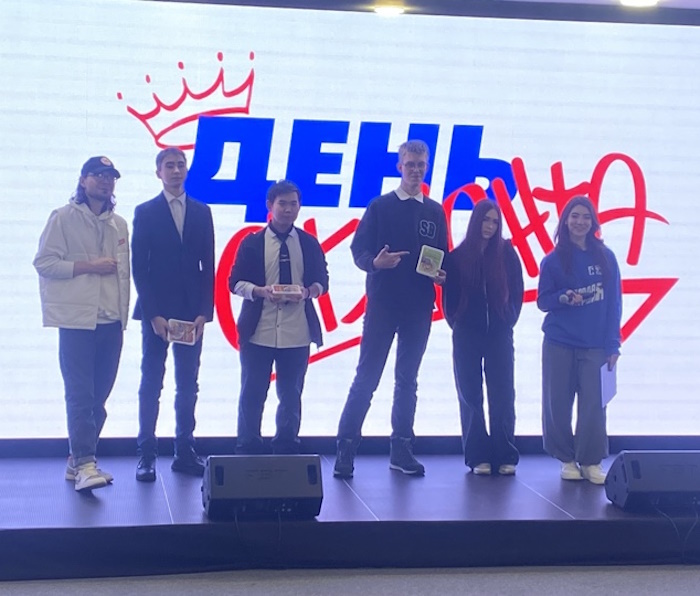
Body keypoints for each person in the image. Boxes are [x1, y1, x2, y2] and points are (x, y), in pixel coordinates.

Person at [334, 139, 448, 478]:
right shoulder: (380, 206)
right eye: (410, 164)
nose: (415, 170)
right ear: (399, 167)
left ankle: (401, 449)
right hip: (383, 305)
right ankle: (345, 449)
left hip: (419, 306)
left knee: (407, 380)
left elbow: (441, 254)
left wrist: (441, 275)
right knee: (367, 377)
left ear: (426, 168)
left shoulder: (435, 211)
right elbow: (358, 250)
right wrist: (375, 263)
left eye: (421, 165)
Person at [33, 156, 130, 492]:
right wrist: (88, 266)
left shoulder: (119, 224)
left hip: (111, 320)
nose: (105, 181)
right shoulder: (63, 217)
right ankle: (87, 463)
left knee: (98, 398)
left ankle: (77, 460)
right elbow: (44, 263)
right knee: (79, 395)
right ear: (83, 180)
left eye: (110, 176)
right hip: (76, 321)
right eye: (98, 175)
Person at [132, 148, 215, 481]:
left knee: (188, 384)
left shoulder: (202, 211)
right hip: (157, 313)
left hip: (191, 312)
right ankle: (146, 454)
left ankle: (184, 450)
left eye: (181, 165)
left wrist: (204, 312)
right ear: (159, 172)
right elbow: (139, 268)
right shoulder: (145, 211)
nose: (176, 170)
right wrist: (152, 314)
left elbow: (208, 265)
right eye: (170, 166)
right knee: (151, 382)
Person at [230, 179, 329, 454]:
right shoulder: (252, 242)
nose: (288, 209)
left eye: (293, 204)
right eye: (282, 204)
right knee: (252, 393)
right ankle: (248, 445)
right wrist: (260, 291)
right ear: (269, 206)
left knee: (291, 394)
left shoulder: (308, 243)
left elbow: (322, 281)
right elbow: (234, 282)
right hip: (258, 331)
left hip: (297, 331)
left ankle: (287, 446)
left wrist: (308, 292)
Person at [537, 195, 622, 485]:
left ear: (593, 222)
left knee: (594, 406)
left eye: (586, 216)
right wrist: (563, 297)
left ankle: (591, 460)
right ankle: (566, 458)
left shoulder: (606, 257)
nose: (580, 222)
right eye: (574, 216)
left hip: (595, 344)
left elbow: (614, 303)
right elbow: (543, 301)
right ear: (565, 221)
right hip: (559, 343)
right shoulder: (552, 260)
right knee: (557, 403)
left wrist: (613, 344)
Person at [442, 200, 523, 476]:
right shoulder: (457, 257)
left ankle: (505, 453)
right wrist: (458, 322)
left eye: (495, 222)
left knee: (503, 393)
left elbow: (517, 290)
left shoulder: (507, 254)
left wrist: (509, 318)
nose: (490, 226)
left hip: (500, 334)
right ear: (475, 221)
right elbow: (449, 298)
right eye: (485, 220)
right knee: (470, 394)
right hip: (467, 334)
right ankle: (477, 456)